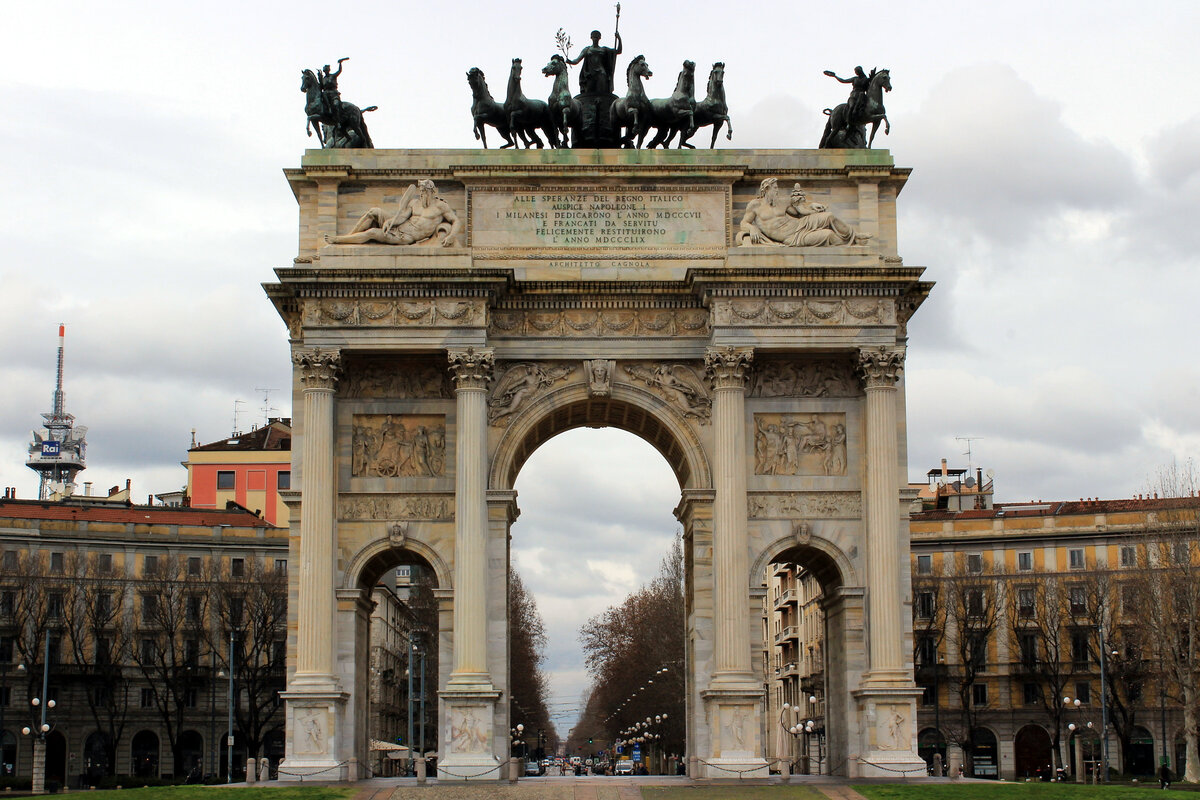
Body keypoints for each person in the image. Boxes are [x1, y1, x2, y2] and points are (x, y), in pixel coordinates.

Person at [326, 180, 462, 246]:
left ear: (431, 192)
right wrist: (390, 221)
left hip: (406, 237)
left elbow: (456, 221)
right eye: (420, 191)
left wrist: (451, 236)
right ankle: (349, 237)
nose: (421, 194)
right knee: (374, 211)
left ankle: (338, 240)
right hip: (399, 226)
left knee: (372, 232)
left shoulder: (441, 206)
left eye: (424, 191)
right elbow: (402, 216)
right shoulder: (415, 203)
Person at [739, 178, 871, 247]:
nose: (777, 190)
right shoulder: (755, 205)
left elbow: (800, 212)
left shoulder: (782, 202)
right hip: (792, 238)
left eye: (777, 187)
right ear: (766, 189)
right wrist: (751, 228)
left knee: (829, 216)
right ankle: (853, 244)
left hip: (801, 224)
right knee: (828, 235)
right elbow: (744, 222)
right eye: (775, 188)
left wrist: (813, 207)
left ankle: (855, 236)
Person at [567, 29, 623, 95]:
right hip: (589, 74)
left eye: (597, 37)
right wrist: (571, 62)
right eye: (594, 37)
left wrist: (619, 38)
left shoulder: (604, 49)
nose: (595, 39)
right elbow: (577, 60)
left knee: (601, 93)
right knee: (588, 93)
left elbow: (619, 51)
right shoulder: (587, 49)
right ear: (591, 38)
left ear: (599, 38)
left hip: (601, 73)